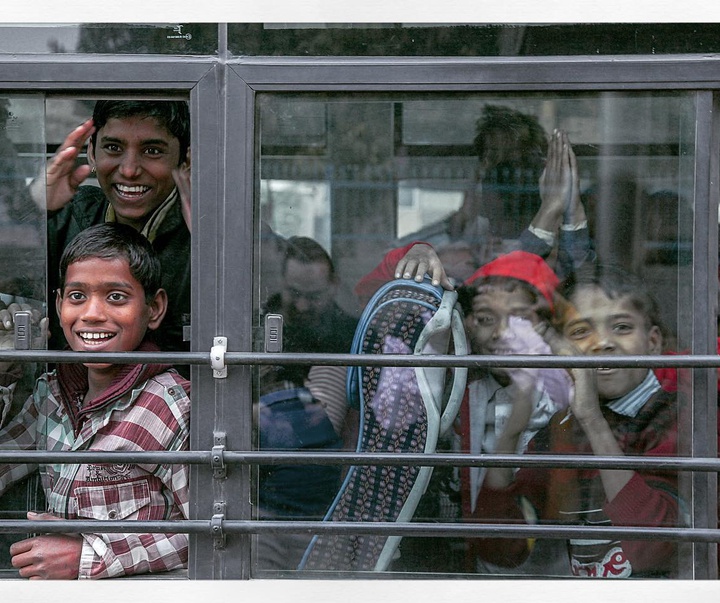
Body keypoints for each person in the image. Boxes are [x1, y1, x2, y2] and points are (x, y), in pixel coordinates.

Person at [0, 222, 191, 579]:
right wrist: (5, 369)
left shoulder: (168, 406)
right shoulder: (50, 394)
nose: (91, 314)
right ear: (59, 306)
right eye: (77, 297)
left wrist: (89, 555)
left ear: (154, 308)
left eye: (116, 297)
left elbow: (212, 531)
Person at [473, 263, 679, 578]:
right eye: (581, 332)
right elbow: (502, 550)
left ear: (653, 342)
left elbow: (656, 551)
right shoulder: (563, 431)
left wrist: (592, 420)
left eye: (622, 327)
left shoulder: (676, 416)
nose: (602, 343)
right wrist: (515, 424)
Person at [29, 100, 191, 361]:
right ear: (92, 153)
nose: (129, 170)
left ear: (186, 159)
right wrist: (35, 210)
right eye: (113, 148)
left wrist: (208, 236)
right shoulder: (67, 213)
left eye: (151, 151)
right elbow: (13, 281)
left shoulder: (208, 224)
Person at [256, 236, 358, 571]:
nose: (300, 305)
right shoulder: (258, 321)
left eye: (312, 296)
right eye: (293, 293)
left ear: (334, 286)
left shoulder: (349, 336)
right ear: (280, 283)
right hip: (259, 491)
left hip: (322, 492)